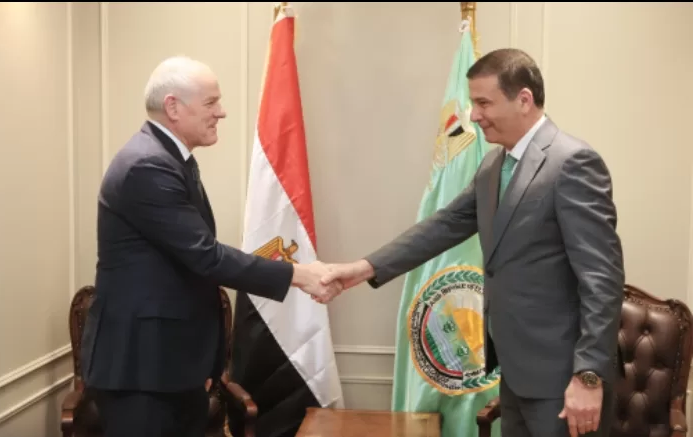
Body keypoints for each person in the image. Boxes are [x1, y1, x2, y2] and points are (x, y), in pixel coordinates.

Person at [319, 48, 624, 437]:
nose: (474, 115)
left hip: (564, 379)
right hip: (515, 372)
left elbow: (602, 280)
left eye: (483, 103)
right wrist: (363, 269)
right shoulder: (494, 165)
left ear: (524, 99)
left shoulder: (573, 162)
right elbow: (445, 225)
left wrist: (589, 376)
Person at [79, 55, 340, 437]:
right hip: (142, 369)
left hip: (168, 364)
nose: (222, 112)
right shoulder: (147, 166)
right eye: (211, 102)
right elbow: (206, 256)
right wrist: (299, 274)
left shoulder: (169, 158)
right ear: (173, 107)